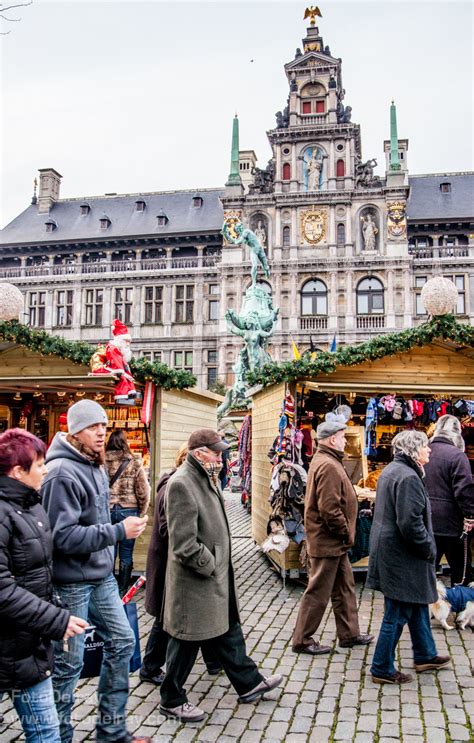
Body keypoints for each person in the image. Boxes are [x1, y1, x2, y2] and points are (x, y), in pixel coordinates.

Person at [41, 400, 151, 743]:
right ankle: (58, 736)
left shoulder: (94, 464)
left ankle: (111, 731)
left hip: (100, 575)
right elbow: (61, 537)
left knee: (122, 641)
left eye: (103, 425)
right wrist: (118, 532)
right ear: (75, 431)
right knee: (68, 665)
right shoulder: (61, 472)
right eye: (93, 427)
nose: (101, 431)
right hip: (71, 581)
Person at [159, 428, 282, 722]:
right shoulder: (182, 483)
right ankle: (171, 697)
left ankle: (249, 683)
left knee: (227, 631)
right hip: (197, 581)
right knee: (187, 641)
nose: (221, 457)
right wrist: (210, 564)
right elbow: (183, 544)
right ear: (199, 453)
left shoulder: (203, 477)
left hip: (212, 578)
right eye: (216, 452)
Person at [0, 428, 88, 743]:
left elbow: (38, 573)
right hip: (9, 645)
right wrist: (56, 619)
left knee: (46, 734)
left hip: (28, 647)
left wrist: (55, 609)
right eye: (39, 464)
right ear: (17, 472)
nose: (46, 469)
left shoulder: (32, 506)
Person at [367, 430, 451, 684]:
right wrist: (428, 548)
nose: (429, 450)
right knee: (398, 610)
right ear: (414, 450)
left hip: (393, 551)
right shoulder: (408, 477)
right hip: (402, 555)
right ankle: (381, 667)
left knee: (415, 605)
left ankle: (425, 654)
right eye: (425, 447)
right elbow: (410, 523)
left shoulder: (393, 470)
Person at [292, 413, 373, 655]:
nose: (344, 441)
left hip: (334, 543)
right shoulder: (328, 464)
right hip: (329, 541)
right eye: (341, 437)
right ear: (330, 440)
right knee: (318, 591)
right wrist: (346, 532)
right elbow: (329, 508)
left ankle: (349, 635)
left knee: (344, 587)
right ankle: (302, 640)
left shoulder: (328, 460)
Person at [141, 444, 220, 685]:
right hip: (169, 564)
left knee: (201, 610)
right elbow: (169, 530)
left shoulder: (191, 483)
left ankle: (215, 660)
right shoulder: (174, 485)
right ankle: (151, 667)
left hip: (178, 563)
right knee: (167, 618)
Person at [424, 415, 474, 585]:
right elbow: (465, 489)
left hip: (427, 520)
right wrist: (470, 516)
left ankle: (427, 606)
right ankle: (462, 606)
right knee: (460, 570)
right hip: (453, 524)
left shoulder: (425, 451)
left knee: (428, 568)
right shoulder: (457, 456)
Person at [105, 429, 151, 595]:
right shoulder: (134, 461)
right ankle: (123, 590)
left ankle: (107, 589)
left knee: (109, 551)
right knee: (126, 553)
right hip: (129, 510)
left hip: (107, 510)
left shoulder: (102, 461)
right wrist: (142, 510)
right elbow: (143, 490)